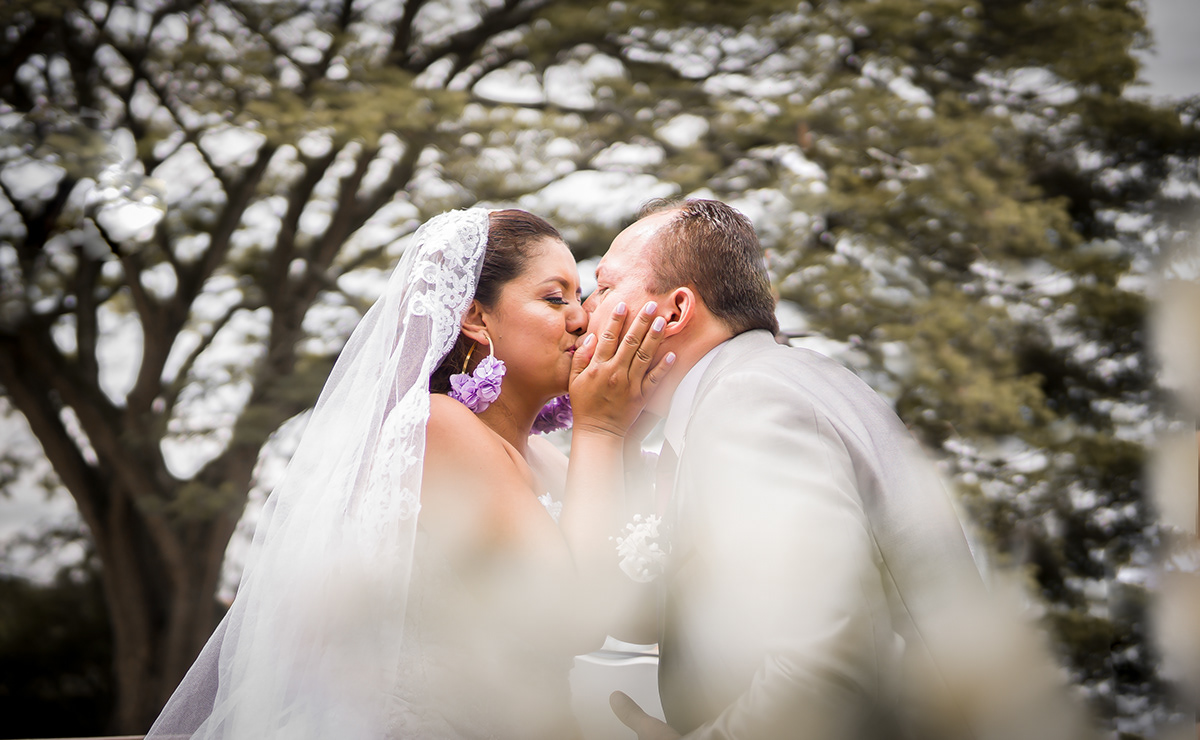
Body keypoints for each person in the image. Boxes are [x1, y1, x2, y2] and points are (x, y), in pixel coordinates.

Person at [145, 207, 672, 739]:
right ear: (474, 317)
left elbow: (628, 600)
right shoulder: (435, 428)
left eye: (579, 298)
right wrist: (601, 429)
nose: (581, 318)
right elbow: (574, 619)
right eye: (554, 297)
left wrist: (623, 436)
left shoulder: (544, 461)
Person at [586, 198, 1097, 740]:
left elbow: (825, 669)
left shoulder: (749, 401)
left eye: (605, 285)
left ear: (672, 311)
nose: (584, 310)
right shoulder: (789, 381)